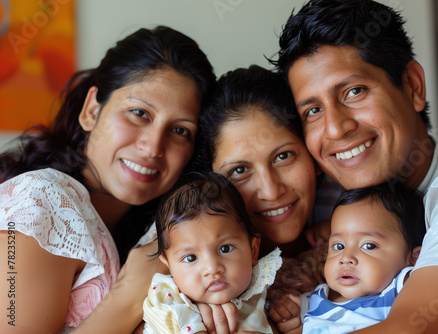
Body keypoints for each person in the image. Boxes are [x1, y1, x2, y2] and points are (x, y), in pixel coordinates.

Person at [272, 0, 438, 332]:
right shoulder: (317, 196)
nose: (335, 129)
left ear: (412, 86)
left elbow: (412, 328)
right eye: (313, 111)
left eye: (354, 91)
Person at [0, 26, 216, 333]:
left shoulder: (154, 233)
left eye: (180, 130)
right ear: (91, 111)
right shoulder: (42, 201)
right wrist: (128, 296)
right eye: (139, 113)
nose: (153, 147)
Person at [195, 65, 341, 333]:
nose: (271, 191)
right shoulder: (192, 274)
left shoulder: (360, 215)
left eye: (283, 156)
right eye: (239, 171)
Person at [269, 182, 425, 333]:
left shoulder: (401, 289)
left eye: (369, 246)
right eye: (339, 246)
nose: (346, 258)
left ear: (414, 258)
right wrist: (288, 316)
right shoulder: (310, 302)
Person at [142, 171, 282, 334]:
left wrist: (283, 308)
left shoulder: (259, 286)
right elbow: (162, 317)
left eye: (225, 249)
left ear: (253, 251)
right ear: (169, 265)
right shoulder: (168, 296)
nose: (212, 268)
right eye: (191, 258)